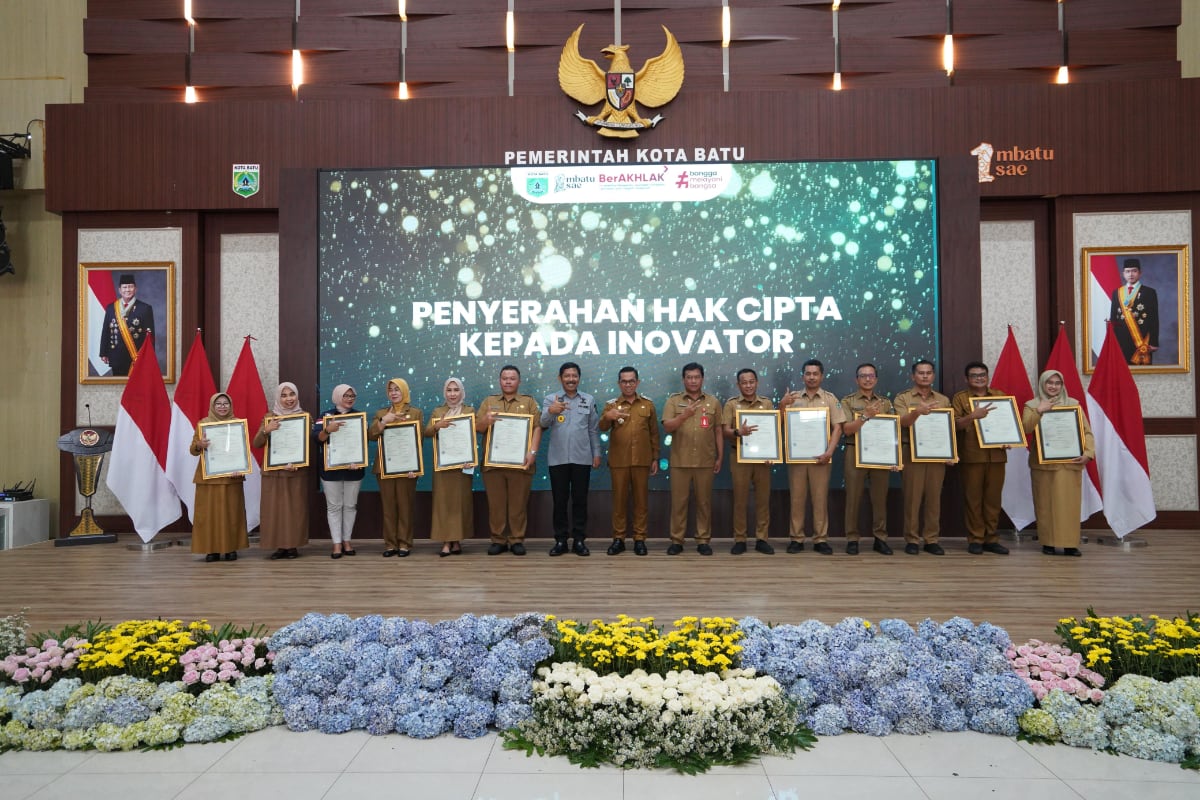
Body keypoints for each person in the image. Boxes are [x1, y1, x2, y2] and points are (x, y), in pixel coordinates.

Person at [1022, 370, 1095, 557]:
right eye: (1049, 383)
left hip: (1069, 464)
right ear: (1042, 384)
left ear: (1062, 385)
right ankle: (1048, 542)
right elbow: (1025, 429)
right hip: (1043, 465)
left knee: (1069, 506)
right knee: (1045, 505)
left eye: (1057, 383)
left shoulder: (1073, 405)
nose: (1053, 386)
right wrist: (1040, 410)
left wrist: (1088, 453)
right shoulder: (1032, 405)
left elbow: (1086, 432)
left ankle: (1070, 544)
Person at [780, 359, 846, 555]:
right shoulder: (792, 398)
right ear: (802, 376)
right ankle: (796, 538)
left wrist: (829, 452)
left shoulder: (830, 399)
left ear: (821, 376)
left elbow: (838, 427)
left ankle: (820, 539)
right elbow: (779, 424)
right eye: (807, 374)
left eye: (815, 374)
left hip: (821, 458)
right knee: (797, 499)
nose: (811, 377)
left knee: (819, 499)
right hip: (797, 458)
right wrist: (782, 406)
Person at [476, 365, 542, 556]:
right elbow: (478, 428)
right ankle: (498, 540)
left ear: (518, 381)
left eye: (512, 378)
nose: (508, 381)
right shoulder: (489, 401)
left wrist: (533, 452)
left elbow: (538, 427)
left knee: (518, 504)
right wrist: (485, 421)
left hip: (520, 463)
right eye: (504, 378)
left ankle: (516, 540)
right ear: (500, 381)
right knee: (496, 505)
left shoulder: (529, 402)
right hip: (493, 464)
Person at [662, 362, 723, 555]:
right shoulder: (673, 401)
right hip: (680, 461)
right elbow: (667, 427)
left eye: (696, 377)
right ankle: (677, 540)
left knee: (704, 503)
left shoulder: (713, 402)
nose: (693, 381)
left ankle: (703, 540)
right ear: (683, 379)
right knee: (679, 503)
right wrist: (684, 416)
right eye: (689, 377)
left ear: (702, 379)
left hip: (705, 461)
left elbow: (718, 430)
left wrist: (720, 456)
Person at [541, 362, 601, 556]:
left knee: (580, 501)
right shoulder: (551, 399)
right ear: (560, 378)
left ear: (579, 378)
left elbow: (593, 429)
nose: (571, 379)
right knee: (559, 501)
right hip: (557, 459)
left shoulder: (588, 400)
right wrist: (552, 411)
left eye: (574, 376)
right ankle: (560, 541)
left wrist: (596, 453)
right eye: (567, 376)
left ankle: (579, 540)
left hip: (582, 458)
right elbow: (542, 423)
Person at [895, 360, 954, 555]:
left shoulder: (943, 400)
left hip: (937, 455)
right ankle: (911, 539)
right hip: (912, 454)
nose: (925, 376)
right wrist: (917, 413)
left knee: (934, 499)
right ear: (913, 376)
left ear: (933, 376)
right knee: (912, 498)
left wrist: (950, 452)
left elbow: (948, 428)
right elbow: (902, 422)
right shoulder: (903, 398)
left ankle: (931, 539)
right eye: (920, 373)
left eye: (929, 373)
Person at [599, 366, 659, 556]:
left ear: (637, 382)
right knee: (619, 502)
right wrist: (607, 417)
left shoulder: (648, 405)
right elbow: (601, 427)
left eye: (631, 381)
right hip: (619, 462)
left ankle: (640, 539)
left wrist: (655, 457)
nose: (628, 384)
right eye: (624, 381)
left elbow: (654, 434)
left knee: (641, 502)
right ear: (619, 383)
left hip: (642, 460)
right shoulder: (611, 405)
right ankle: (619, 539)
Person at [951, 361, 1010, 555]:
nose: (980, 378)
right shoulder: (960, 398)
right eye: (975, 376)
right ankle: (976, 538)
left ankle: (991, 538)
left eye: (983, 375)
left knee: (993, 500)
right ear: (966, 379)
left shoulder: (1000, 396)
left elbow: (1008, 422)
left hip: (996, 456)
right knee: (973, 500)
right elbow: (955, 425)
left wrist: (1009, 438)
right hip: (972, 456)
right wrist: (972, 416)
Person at [840, 363, 894, 555]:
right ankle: (852, 538)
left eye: (871, 376)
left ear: (876, 379)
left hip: (880, 454)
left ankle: (880, 538)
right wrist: (865, 416)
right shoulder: (847, 402)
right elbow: (846, 430)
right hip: (855, 451)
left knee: (880, 498)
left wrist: (893, 458)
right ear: (857, 380)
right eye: (863, 376)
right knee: (853, 497)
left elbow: (891, 431)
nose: (867, 379)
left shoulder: (886, 403)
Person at [190, 392, 249, 562]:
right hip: (208, 479)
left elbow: (241, 451)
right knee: (210, 517)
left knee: (232, 515)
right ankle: (212, 550)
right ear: (212, 406)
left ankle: (231, 549)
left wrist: (240, 467)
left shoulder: (237, 424)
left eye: (226, 404)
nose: (222, 407)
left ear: (230, 406)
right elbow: (192, 450)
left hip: (232, 478)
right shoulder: (203, 424)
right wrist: (199, 445)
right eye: (218, 404)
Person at [722, 368, 775, 555]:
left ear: (757, 382)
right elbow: (724, 431)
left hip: (763, 458)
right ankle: (740, 539)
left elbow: (774, 430)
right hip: (739, 456)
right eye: (744, 382)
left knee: (763, 500)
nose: (748, 385)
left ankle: (762, 538)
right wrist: (738, 432)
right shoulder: (731, 405)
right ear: (738, 385)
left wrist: (772, 454)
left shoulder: (767, 403)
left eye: (751, 381)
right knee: (740, 500)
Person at [253, 382, 309, 560]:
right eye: (284, 395)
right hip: (273, 473)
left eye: (291, 394)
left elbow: (307, 445)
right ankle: (278, 546)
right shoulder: (269, 417)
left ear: (297, 396)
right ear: (278, 398)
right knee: (274, 510)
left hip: (294, 472)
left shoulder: (304, 417)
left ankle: (292, 546)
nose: (288, 399)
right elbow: (256, 443)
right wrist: (266, 430)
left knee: (294, 510)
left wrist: (297, 461)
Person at [368, 378, 422, 558]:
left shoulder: (415, 412)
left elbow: (418, 440)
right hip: (385, 467)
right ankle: (390, 544)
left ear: (404, 391)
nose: (393, 393)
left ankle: (405, 544)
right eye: (390, 389)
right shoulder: (381, 413)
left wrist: (414, 465)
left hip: (408, 468)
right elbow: (371, 435)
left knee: (406, 507)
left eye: (397, 389)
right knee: (389, 508)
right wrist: (384, 421)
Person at [314, 384, 365, 559]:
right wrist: (328, 430)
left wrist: (358, 459)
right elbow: (317, 439)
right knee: (334, 507)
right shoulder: (325, 416)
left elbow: (362, 443)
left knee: (350, 506)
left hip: (353, 469)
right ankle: (336, 543)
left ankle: (347, 541)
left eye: (352, 396)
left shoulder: (359, 416)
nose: (350, 399)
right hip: (331, 470)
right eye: (346, 395)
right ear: (337, 397)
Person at [425, 377, 474, 556]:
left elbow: (472, 436)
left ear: (461, 392)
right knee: (444, 503)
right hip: (443, 466)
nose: (452, 394)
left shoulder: (469, 410)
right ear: (444, 392)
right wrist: (437, 425)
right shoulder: (438, 410)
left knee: (459, 503)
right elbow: (426, 432)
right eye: (449, 390)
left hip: (463, 466)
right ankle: (446, 542)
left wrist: (471, 458)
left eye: (456, 390)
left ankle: (457, 541)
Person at [99, 272, 155, 377]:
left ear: (135, 289)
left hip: (136, 356)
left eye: (130, 287)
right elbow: (106, 331)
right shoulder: (111, 308)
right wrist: (103, 352)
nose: (127, 290)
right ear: (120, 290)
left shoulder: (145, 308)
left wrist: (149, 357)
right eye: (124, 287)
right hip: (116, 355)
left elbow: (150, 336)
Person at [1108, 257, 1159, 365]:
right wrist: (1112, 341)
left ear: (1140, 273)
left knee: (1143, 373)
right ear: (1123, 274)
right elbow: (1113, 319)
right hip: (1121, 340)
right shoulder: (1116, 293)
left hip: (1142, 340)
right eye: (1127, 271)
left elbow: (1154, 319)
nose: (1131, 274)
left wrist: (1154, 342)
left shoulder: (1149, 292)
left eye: (1134, 271)